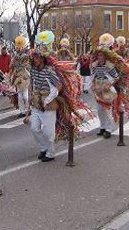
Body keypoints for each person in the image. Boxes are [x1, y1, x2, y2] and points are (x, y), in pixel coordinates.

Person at [25, 30, 91, 162]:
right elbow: (31, 85)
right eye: (34, 57)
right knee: (34, 128)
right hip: (37, 104)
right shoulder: (32, 69)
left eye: (37, 57)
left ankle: (50, 152)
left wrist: (49, 98)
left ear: (43, 58)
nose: (35, 60)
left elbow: (58, 85)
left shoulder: (50, 71)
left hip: (49, 105)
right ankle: (43, 147)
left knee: (49, 133)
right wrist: (29, 102)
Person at [10, 35, 30, 118]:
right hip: (18, 77)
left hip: (25, 76)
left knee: (25, 96)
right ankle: (22, 111)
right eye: (18, 46)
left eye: (21, 46)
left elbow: (29, 64)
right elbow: (12, 66)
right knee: (19, 96)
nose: (19, 48)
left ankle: (28, 109)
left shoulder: (28, 54)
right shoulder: (15, 56)